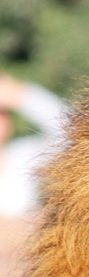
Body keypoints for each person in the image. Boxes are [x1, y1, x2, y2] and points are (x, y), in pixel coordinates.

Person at [0, 74, 68, 218]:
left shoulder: (24, 155)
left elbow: (70, 135)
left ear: (9, 123)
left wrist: (20, 95)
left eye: (2, 113)